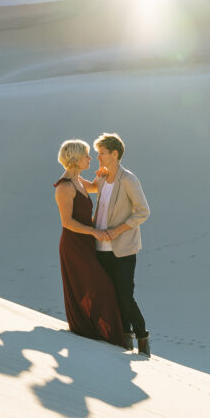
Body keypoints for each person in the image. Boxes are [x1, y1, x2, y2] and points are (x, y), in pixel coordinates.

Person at [54, 139, 125, 348]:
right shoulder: (64, 187)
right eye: (86, 155)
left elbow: (95, 188)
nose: (90, 158)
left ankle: (98, 333)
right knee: (101, 287)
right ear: (75, 159)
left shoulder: (78, 180)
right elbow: (67, 223)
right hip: (74, 245)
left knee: (94, 287)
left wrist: (104, 174)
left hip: (86, 243)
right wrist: (95, 232)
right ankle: (95, 332)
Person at [93, 133, 151, 357]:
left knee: (125, 295)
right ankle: (124, 337)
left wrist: (117, 230)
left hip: (123, 248)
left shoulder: (128, 179)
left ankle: (142, 337)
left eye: (102, 153)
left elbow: (143, 212)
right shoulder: (102, 177)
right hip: (100, 248)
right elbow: (91, 190)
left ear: (114, 154)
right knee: (110, 294)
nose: (98, 157)